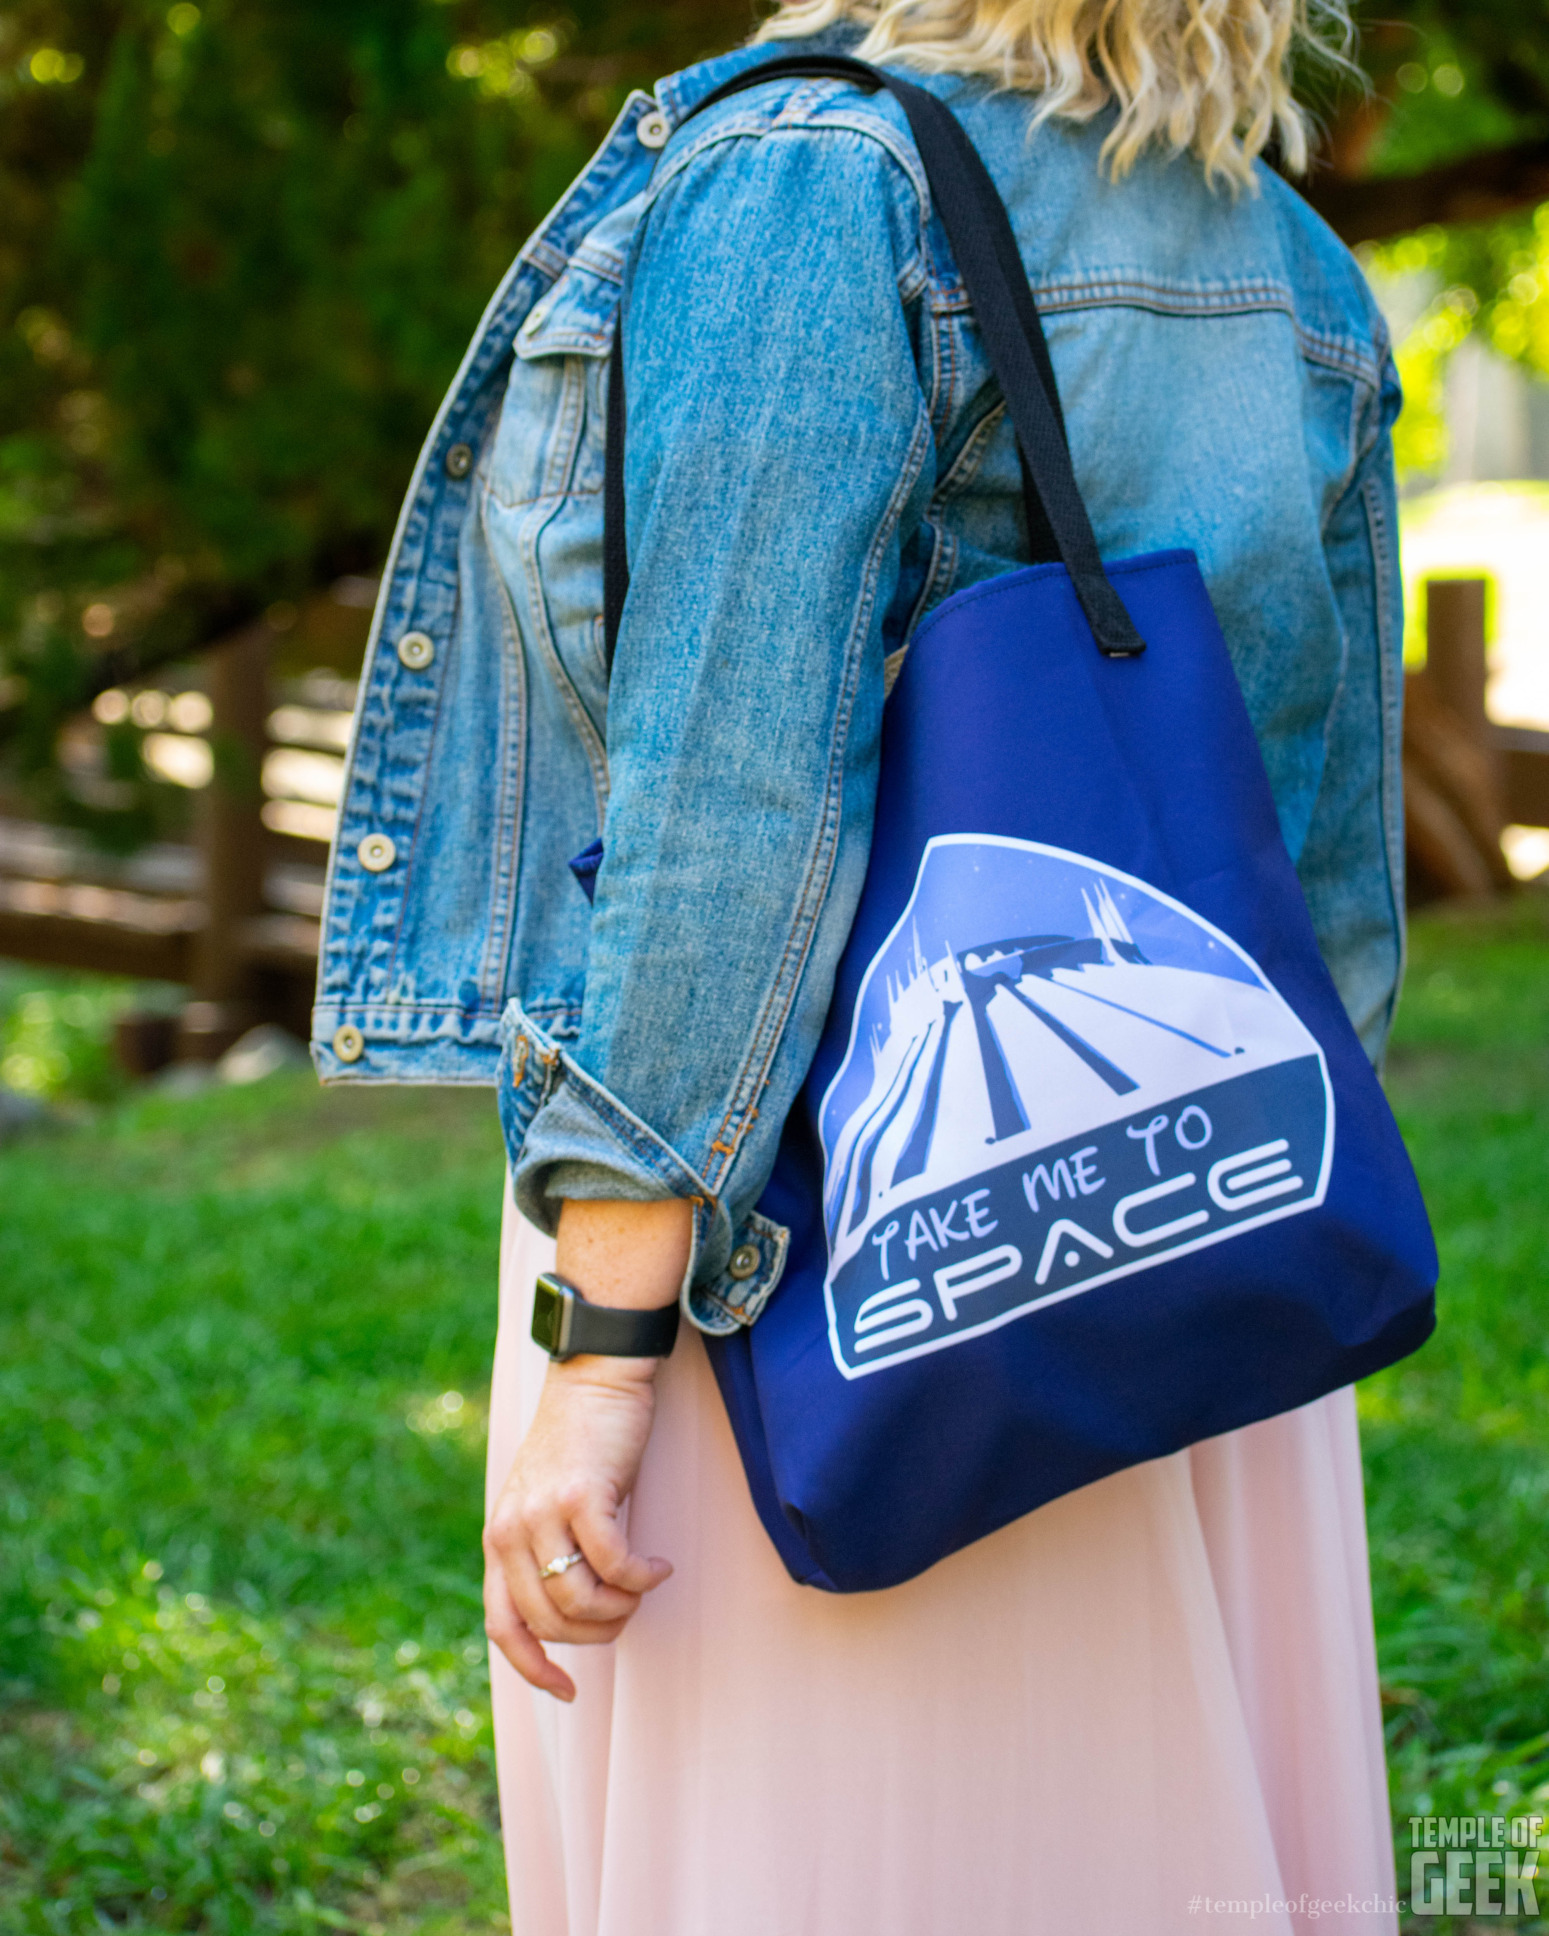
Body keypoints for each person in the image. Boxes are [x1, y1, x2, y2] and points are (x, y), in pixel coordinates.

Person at [316, 1, 1406, 1929]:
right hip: (1188, 1247)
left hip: (825, 1271)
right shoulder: (1271, 244)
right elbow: (1308, 861)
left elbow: (730, 782)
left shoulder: (814, 178)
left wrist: (607, 1343)